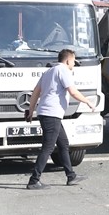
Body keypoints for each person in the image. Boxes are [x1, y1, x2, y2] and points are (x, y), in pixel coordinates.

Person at [24, 48, 94, 189]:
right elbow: (73, 91)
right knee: (48, 148)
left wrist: (31, 111)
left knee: (63, 144)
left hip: (47, 113)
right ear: (68, 60)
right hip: (51, 113)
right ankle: (34, 180)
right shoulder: (63, 70)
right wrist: (87, 101)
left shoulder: (48, 72)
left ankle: (71, 176)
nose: (74, 64)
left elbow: (36, 92)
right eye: (73, 61)